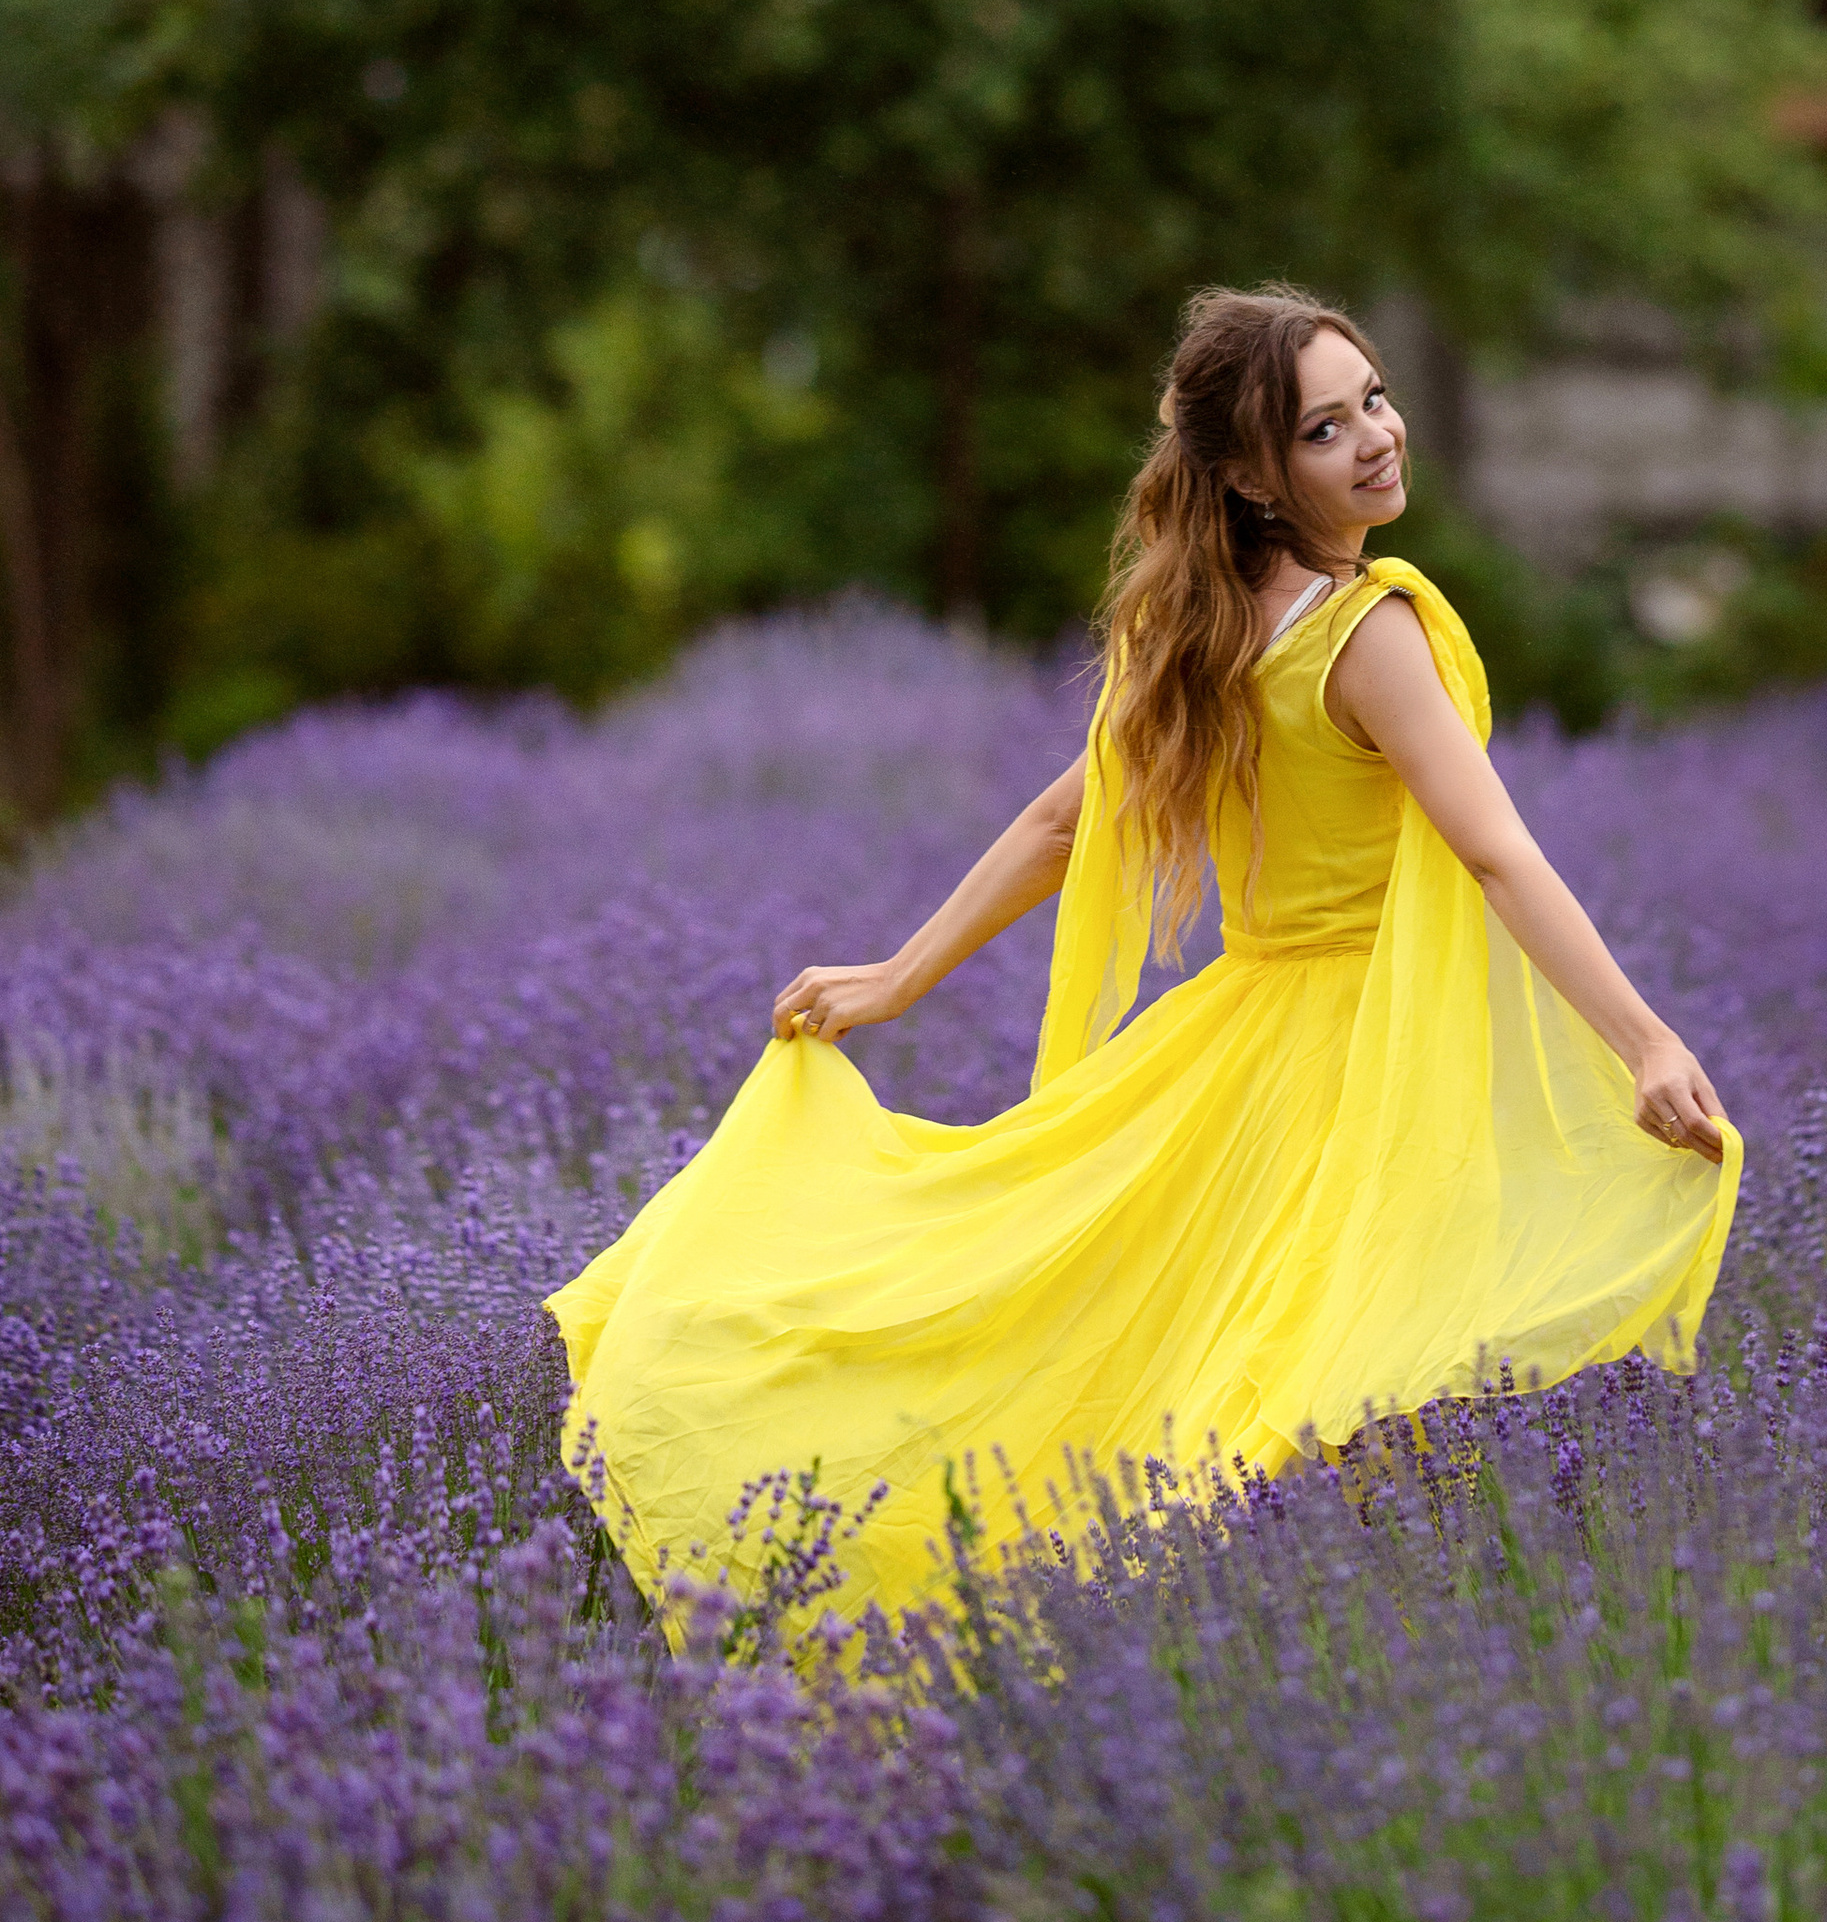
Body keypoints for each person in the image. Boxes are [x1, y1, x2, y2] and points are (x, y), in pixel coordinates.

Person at [548, 286, 1741, 1643]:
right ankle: (1336, 1662)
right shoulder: (1369, 633)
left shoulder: (1198, 624)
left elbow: (1069, 820)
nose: (1375, 440)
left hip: (1240, 1049)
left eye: (1377, 400)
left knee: (1266, 1379)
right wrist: (1643, 1039)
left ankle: (1287, 1651)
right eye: (1324, 429)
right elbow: (1498, 857)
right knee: (1333, 1383)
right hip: (1367, 1060)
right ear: (1247, 475)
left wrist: (900, 976)